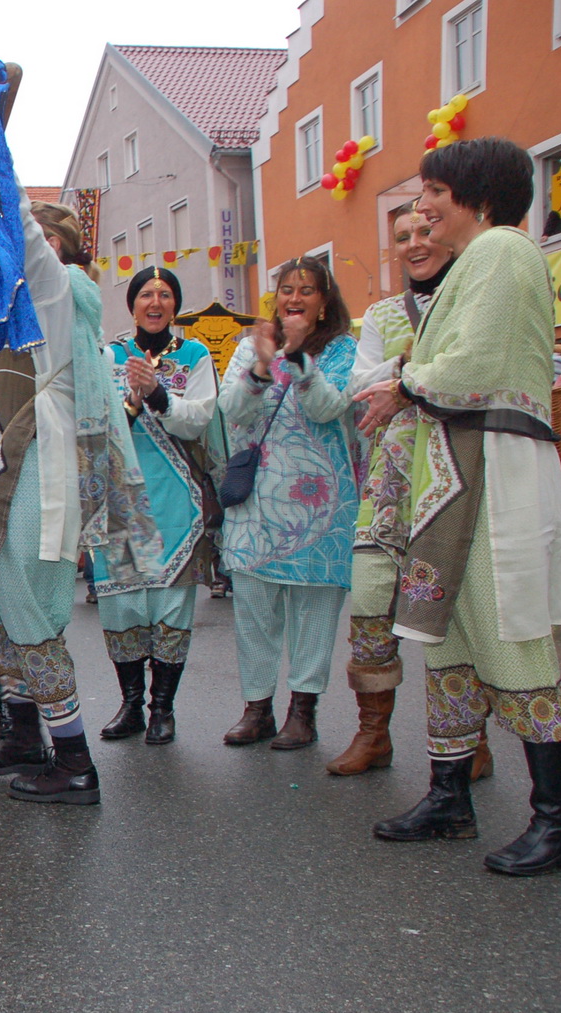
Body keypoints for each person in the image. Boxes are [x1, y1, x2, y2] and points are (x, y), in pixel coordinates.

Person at [355, 138, 561, 876]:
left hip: (493, 469)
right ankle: (450, 798)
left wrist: (403, 383)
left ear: (476, 197)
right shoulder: (478, 259)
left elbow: (475, 363)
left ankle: (558, 823)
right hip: (457, 469)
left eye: (434, 193)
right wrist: (407, 378)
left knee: (509, 633)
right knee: (450, 637)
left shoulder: (503, 251)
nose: (423, 207)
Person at [0, 194, 160, 804]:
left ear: (56, 249)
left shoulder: (63, 288)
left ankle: (75, 763)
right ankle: (28, 737)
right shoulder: (20, 312)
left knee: (33, 622)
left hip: (42, 481)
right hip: (11, 475)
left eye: (35, 241)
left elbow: (24, 239)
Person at [331, 209, 487, 780]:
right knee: (372, 603)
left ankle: (471, 741)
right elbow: (357, 383)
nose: (415, 244)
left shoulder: (470, 299)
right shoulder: (382, 314)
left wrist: (403, 377)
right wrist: (404, 366)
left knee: (455, 612)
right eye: (403, 237)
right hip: (388, 485)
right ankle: (374, 735)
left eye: (425, 231)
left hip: (454, 477)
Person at [217, 258, 357, 751]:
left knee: (314, 611)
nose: (294, 298)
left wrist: (297, 359)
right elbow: (232, 410)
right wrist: (262, 365)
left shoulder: (343, 350)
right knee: (254, 610)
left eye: (307, 290)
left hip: (322, 505)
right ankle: (257, 709)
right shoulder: (249, 346)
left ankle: (303, 711)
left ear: (324, 303)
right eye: (287, 289)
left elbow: (328, 408)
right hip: (256, 501)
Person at [93, 266, 220, 746]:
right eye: (146, 294)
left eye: (165, 294)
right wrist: (129, 398)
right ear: (132, 305)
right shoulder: (111, 355)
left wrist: (158, 392)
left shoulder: (195, 354)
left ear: (175, 305)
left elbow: (198, 419)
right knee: (123, 603)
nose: (155, 302)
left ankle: (162, 708)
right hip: (121, 498)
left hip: (175, 496)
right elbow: (98, 419)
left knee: (170, 602)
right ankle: (130, 705)